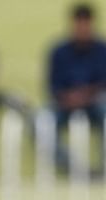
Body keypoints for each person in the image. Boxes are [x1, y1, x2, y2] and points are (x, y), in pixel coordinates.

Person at [48, 3, 106, 174]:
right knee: (42, 122)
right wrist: (69, 98)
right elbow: (53, 86)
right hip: (65, 104)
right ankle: (73, 167)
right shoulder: (59, 52)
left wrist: (84, 96)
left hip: (96, 103)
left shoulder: (102, 50)